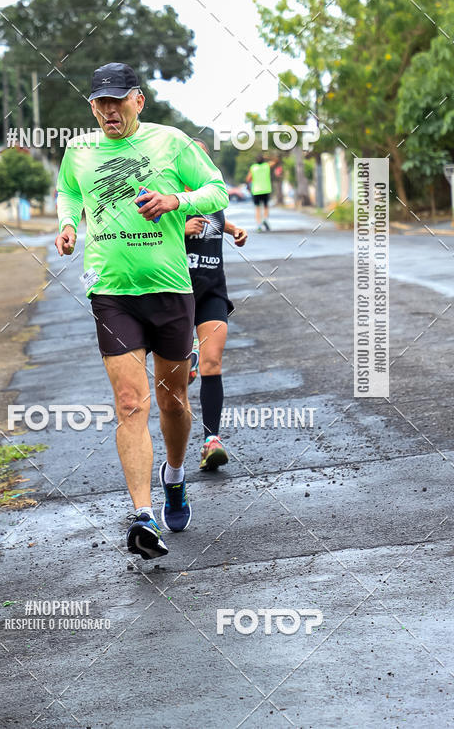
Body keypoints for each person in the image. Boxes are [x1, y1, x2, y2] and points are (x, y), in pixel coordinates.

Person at [54, 62, 229, 559]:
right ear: (92, 107)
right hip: (111, 291)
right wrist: (68, 223)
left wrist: (176, 200)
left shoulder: (171, 143)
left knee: (173, 402)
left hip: (170, 290)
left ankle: (174, 476)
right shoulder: (80, 151)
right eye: (100, 103)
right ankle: (143, 516)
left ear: (138, 101)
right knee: (131, 404)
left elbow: (216, 188)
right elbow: (69, 190)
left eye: (117, 101)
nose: (109, 110)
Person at [184, 141, 248, 470]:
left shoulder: (212, 197)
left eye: (203, 160)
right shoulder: (167, 197)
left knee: (213, 363)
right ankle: (174, 459)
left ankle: (212, 441)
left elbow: (218, 223)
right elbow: (143, 235)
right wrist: (179, 227)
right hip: (176, 294)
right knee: (176, 377)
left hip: (212, 290)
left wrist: (235, 229)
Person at [246, 152, 277, 232]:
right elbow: (275, 160)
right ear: (263, 160)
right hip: (266, 189)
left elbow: (248, 179)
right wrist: (267, 156)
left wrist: (249, 185)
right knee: (266, 206)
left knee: (257, 208)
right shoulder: (267, 166)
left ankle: (259, 225)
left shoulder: (253, 167)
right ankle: (265, 219)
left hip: (256, 190)